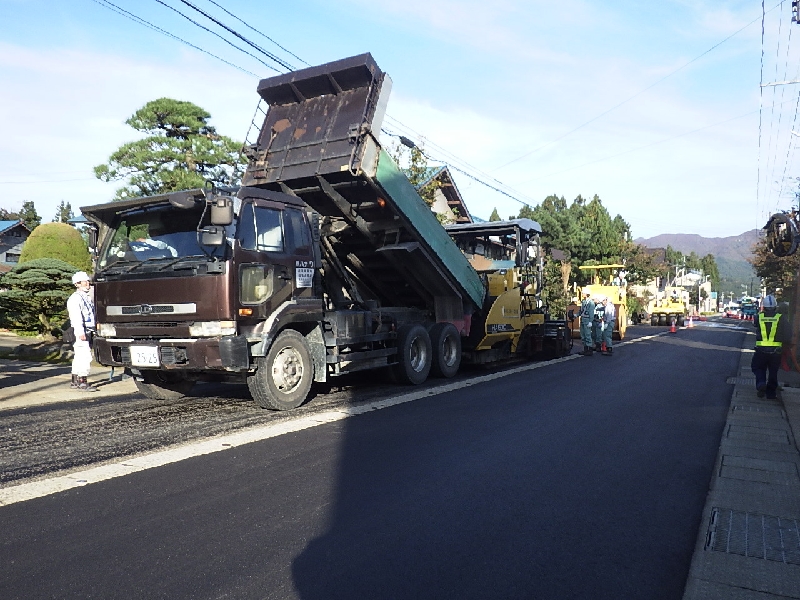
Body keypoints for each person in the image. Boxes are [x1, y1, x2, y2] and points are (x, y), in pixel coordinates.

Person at [751, 294, 792, 399]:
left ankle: (761, 383)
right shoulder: (781, 318)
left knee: (758, 367)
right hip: (776, 351)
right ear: (775, 306)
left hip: (760, 350)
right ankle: (771, 394)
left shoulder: (758, 317)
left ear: (763, 306)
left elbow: (755, 324)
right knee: (773, 371)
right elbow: (788, 334)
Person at [67, 271, 97, 392]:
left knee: (79, 356)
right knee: (85, 356)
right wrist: (80, 332)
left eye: (87, 281)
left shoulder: (85, 297)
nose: (87, 283)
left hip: (86, 330)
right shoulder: (75, 299)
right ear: (77, 284)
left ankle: (74, 381)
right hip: (81, 331)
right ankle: (82, 381)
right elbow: (76, 317)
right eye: (85, 281)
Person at [579, 288, 596, 356]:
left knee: (588, 335)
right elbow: (581, 311)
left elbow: (591, 313)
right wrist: (576, 315)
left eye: (583, 293)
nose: (582, 294)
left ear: (587, 294)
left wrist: (590, 321)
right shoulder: (583, 302)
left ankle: (590, 349)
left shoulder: (591, 303)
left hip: (587, 320)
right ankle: (585, 349)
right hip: (583, 320)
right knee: (583, 335)